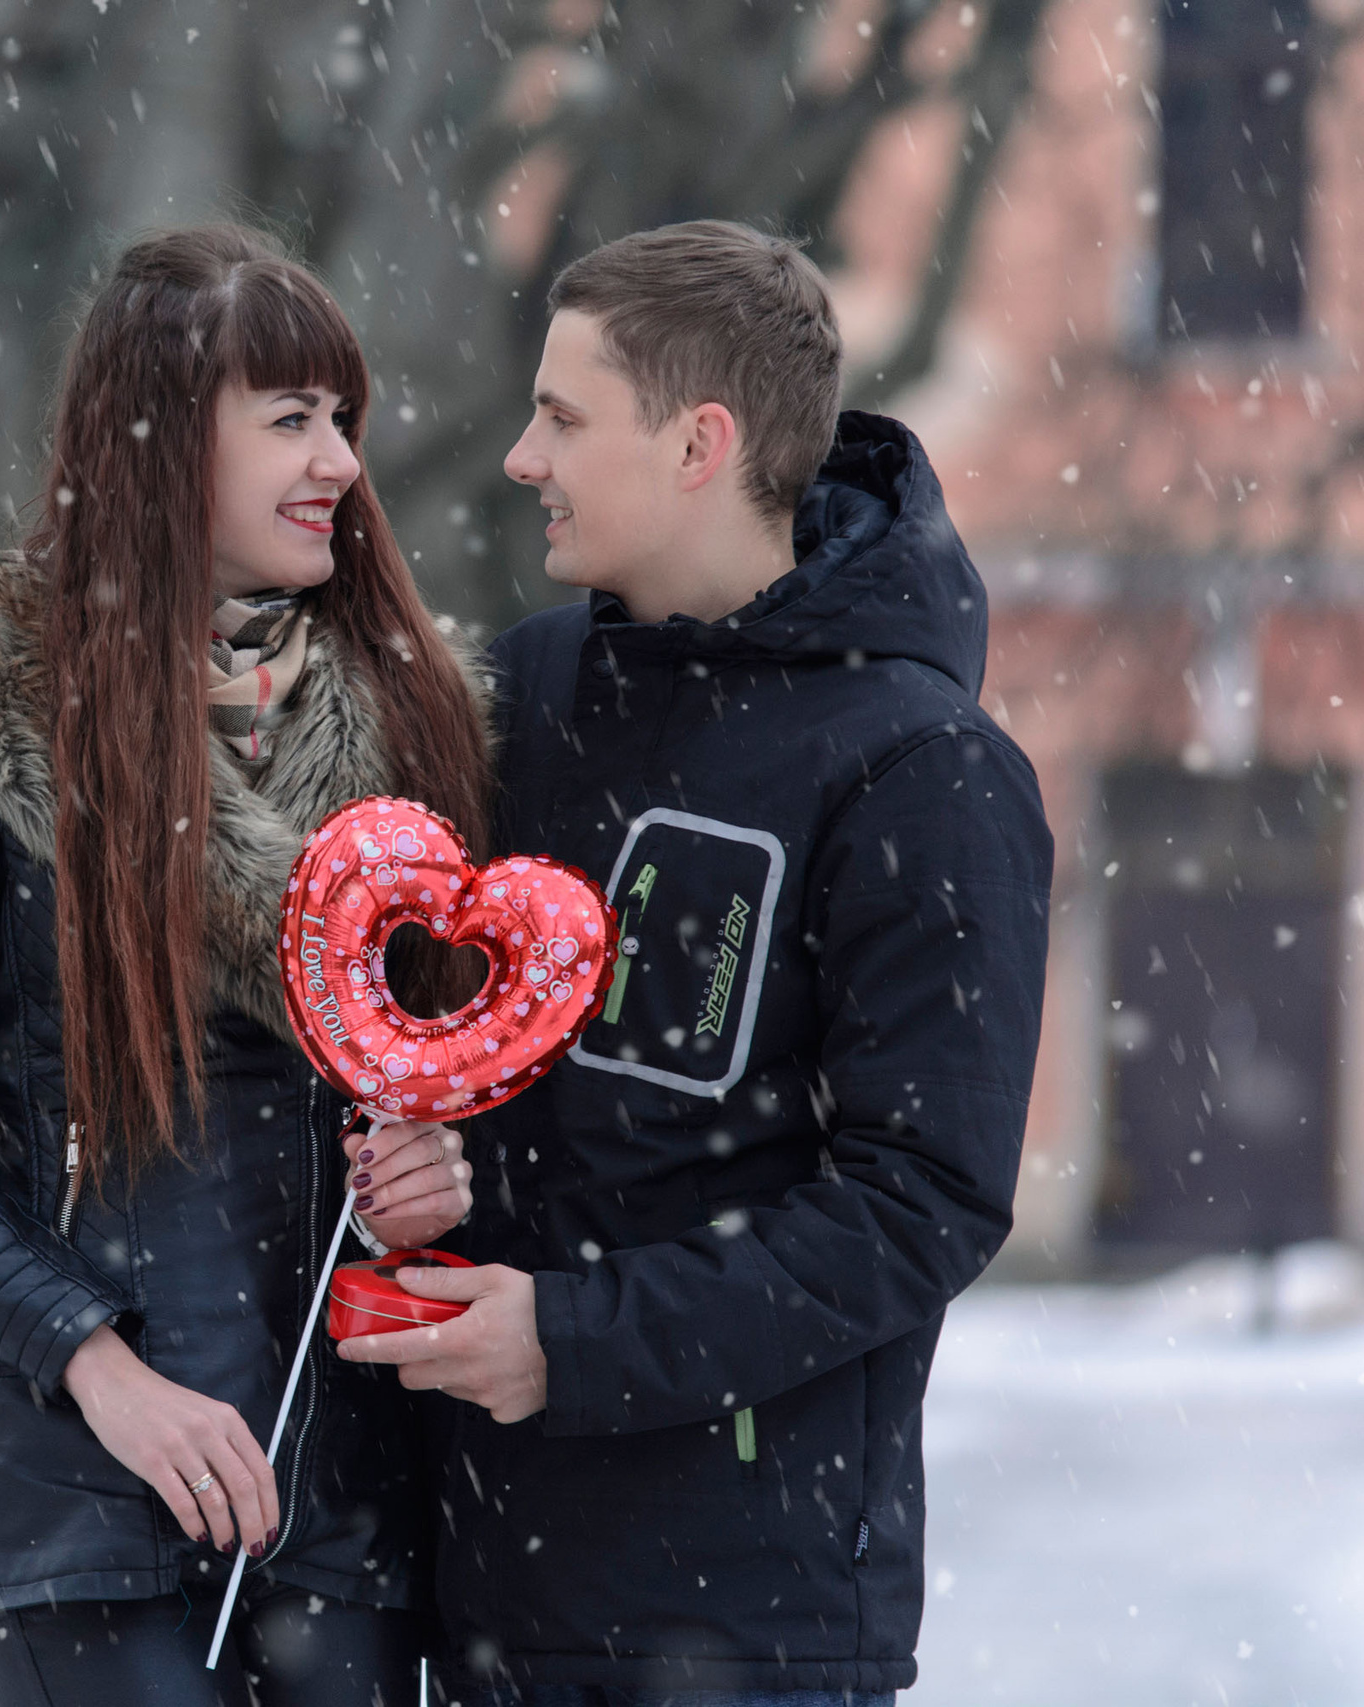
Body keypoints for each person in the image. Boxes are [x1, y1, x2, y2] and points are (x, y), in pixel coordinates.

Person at [336, 221, 1053, 1704]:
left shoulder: (924, 771)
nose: (523, 457)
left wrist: (577, 1342)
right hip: (477, 1592)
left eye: (564, 416)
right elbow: (372, 988)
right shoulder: (525, 691)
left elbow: (922, 1199)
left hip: (752, 1620)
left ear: (697, 445)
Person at [0, 224, 495, 1706]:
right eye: (291, 419)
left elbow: (470, 1075)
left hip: (341, 1476)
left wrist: (441, 1172)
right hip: (78, 1488)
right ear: (165, 440)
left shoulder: (421, 729)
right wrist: (98, 1367)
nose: (340, 463)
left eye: (344, 419)